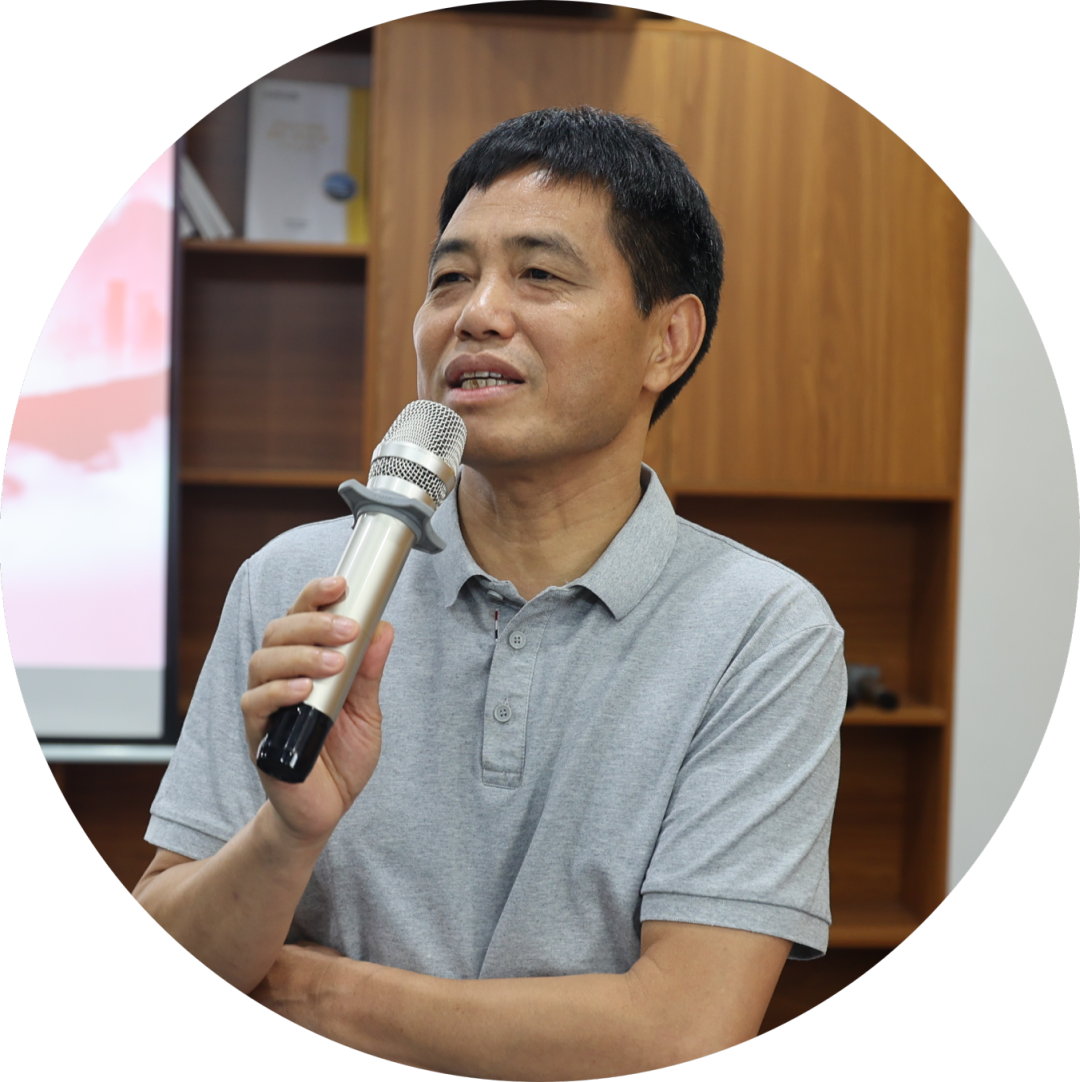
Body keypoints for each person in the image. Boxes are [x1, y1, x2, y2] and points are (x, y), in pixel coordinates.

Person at [134, 106, 845, 1076]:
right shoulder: (301, 582)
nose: (475, 313)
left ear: (668, 341)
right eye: (450, 277)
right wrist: (285, 836)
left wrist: (303, 989)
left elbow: (683, 1029)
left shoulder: (763, 629)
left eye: (540, 274)